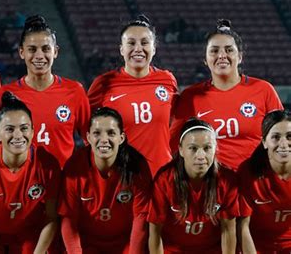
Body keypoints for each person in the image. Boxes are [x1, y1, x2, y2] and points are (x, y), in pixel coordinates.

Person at [170, 19, 283, 171]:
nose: (222, 55)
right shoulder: (191, 96)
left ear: (240, 56)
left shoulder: (263, 90)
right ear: (205, 59)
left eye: (229, 50)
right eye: (214, 51)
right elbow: (174, 144)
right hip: (211, 185)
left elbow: (282, 138)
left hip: (255, 182)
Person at [0, 91, 60, 253]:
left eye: (24, 128)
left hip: (29, 235)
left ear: (33, 131)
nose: (18, 135)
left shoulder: (48, 165)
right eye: (9, 129)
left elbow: (51, 218)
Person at [88, 14, 178, 175]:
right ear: (122, 49)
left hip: (161, 175)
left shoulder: (167, 80)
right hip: (121, 176)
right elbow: (85, 124)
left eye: (144, 43)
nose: (138, 49)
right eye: (131, 43)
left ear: (154, 48)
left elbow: (175, 122)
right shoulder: (104, 83)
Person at [0, 15, 90, 168]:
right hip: (21, 184)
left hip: (62, 185)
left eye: (46, 49)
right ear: (22, 52)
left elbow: (90, 139)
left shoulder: (74, 91)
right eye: (32, 49)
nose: (39, 56)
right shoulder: (6, 94)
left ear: (55, 52)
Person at [59, 107, 151, 253]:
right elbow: (69, 219)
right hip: (86, 244)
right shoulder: (74, 166)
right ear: (88, 137)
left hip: (126, 244)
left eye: (111, 133)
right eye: (97, 133)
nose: (104, 140)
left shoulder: (137, 166)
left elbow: (140, 220)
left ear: (121, 138)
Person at [148, 118, 239, 253]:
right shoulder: (164, 180)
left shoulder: (227, 180)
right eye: (193, 148)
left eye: (207, 148)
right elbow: (155, 233)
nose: (200, 156)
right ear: (181, 150)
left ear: (215, 149)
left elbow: (228, 231)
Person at [239, 110, 291, 253]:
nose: (284, 144)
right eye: (275, 137)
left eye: (289, 136)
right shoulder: (248, 172)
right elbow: (243, 226)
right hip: (257, 247)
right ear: (264, 142)